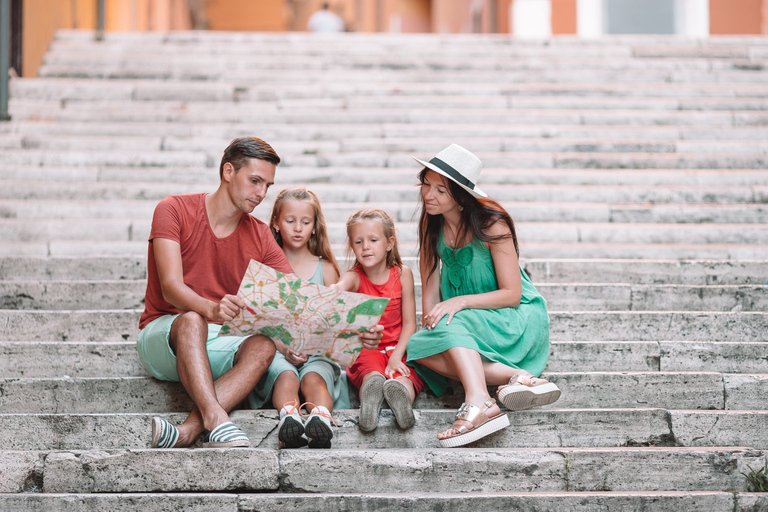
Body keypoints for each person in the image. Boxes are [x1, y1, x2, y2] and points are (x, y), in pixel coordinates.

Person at [137, 137, 383, 449]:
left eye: (267, 185)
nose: (261, 193)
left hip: (219, 341)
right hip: (165, 334)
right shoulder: (173, 209)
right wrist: (210, 309)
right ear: (228, 171)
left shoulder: (260, 235)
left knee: (264, 346)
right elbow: (171, 287)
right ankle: (215, 420)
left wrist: (357, 332)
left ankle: (186, 432)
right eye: (254, 181)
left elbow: (302, 303)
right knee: (191, 320)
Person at [406, 144, 560, 448]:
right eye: (426, 185)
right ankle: (518, 377)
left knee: (451, 322)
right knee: (418, 346)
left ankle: (479, 401)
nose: (428, 195)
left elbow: (512, 294)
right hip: (464, 323)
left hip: (512, 319)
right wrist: (433, 325)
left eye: (440, 190)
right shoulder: (431, 226)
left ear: (461, 199)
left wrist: (459, 302)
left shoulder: (493, 224)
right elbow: (429, 286)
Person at [247, 187, 349, 449]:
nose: (298, 228)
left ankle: (321, 418)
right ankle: (289, 418)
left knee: (312, 378)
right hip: (278, 351)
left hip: (317, 353)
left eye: (306, 222)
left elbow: (336, 320)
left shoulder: (325, 268)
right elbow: (257, 320)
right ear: (276, 223)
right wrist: (282, 347)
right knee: (286, 376)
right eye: (290, 221)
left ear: (315, 226)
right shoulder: (266, 268)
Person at [334, 209, 424, 432]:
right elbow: (339, 287)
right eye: (358, 241)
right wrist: (333, 290)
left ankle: (402, 398)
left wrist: (395, 357)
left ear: (389, 243)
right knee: (369, 368)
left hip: (400, 346)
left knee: (406, 373)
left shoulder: (403, 274)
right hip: (368, 348)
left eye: (373, 240)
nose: (365, 246)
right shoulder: (354, 276)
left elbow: (410, 324)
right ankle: (370, 397)